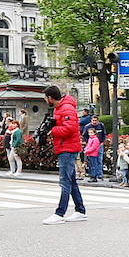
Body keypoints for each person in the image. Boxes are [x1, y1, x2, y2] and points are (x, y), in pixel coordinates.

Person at [43, 85, 86, 223]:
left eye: (45, 98)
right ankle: (80, 210)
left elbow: (70, 128)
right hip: (65, 147)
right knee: (71, 181)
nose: (45, 100)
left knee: (65, 181)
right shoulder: (60, 108)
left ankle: (60, 213)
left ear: (50, 97)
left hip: (67, 148)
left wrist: (53, 130)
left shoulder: (66, 108)